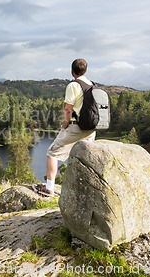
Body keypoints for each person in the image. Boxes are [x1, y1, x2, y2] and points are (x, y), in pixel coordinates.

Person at [41, 58, 96, 196]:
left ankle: (49, 188)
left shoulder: (73, 85)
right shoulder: (92, 85)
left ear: (72, 71)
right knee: (84, 158)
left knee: (52, 153)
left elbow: (68, 109)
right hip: (91, 129)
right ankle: (85, 190)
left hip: (76, 127)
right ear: (86, 70)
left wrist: (64, 126)